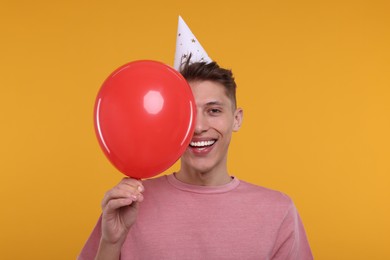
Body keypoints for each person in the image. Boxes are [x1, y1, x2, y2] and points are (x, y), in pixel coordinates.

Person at [78, 58, 313, 260]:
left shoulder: (277, 211)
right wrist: (111, 243)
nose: (198, 127)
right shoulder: (129, 203)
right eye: (186, 111)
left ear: (237, 118)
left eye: (214, 111)